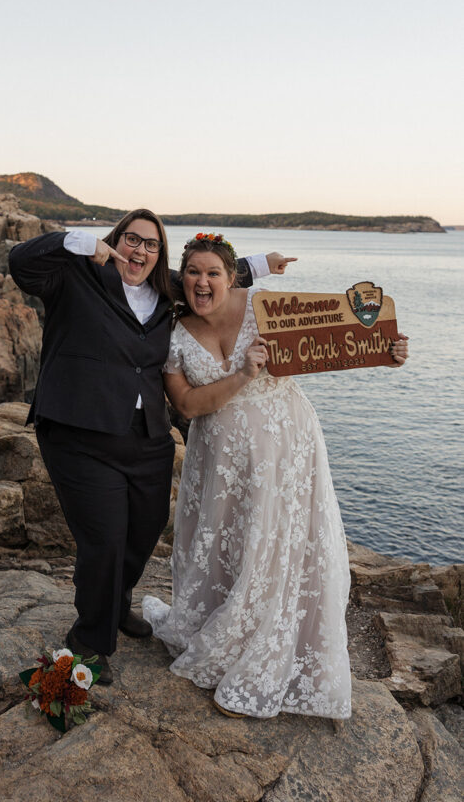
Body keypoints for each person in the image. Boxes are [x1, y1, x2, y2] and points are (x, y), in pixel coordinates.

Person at [9, 212, 292, 684]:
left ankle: (116, 606)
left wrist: (263, 263)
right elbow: (20, 263)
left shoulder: (167, 288)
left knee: (144, 530)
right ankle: (89, 643)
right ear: (115, 239)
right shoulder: (74, 274)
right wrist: (75, 241)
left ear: (160, 255)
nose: (139, 251)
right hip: (79, 432)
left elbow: (211, 274)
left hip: (146, 434)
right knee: (103, 540)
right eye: (131, 240)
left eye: (151, 245)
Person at [143, 233, 409, 718]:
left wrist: (384, 350)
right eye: (194, 274)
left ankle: (267, 650)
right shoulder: (175, 332)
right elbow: (185, 404)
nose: (203, 282)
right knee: (227, 539)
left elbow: (331, 339)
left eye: (213, 273)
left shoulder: (267, 308)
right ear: (183, 279)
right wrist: (242, 373)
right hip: (218, 458)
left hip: (285, 445)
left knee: (277, 542)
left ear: (231, 276)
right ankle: (219, 628)